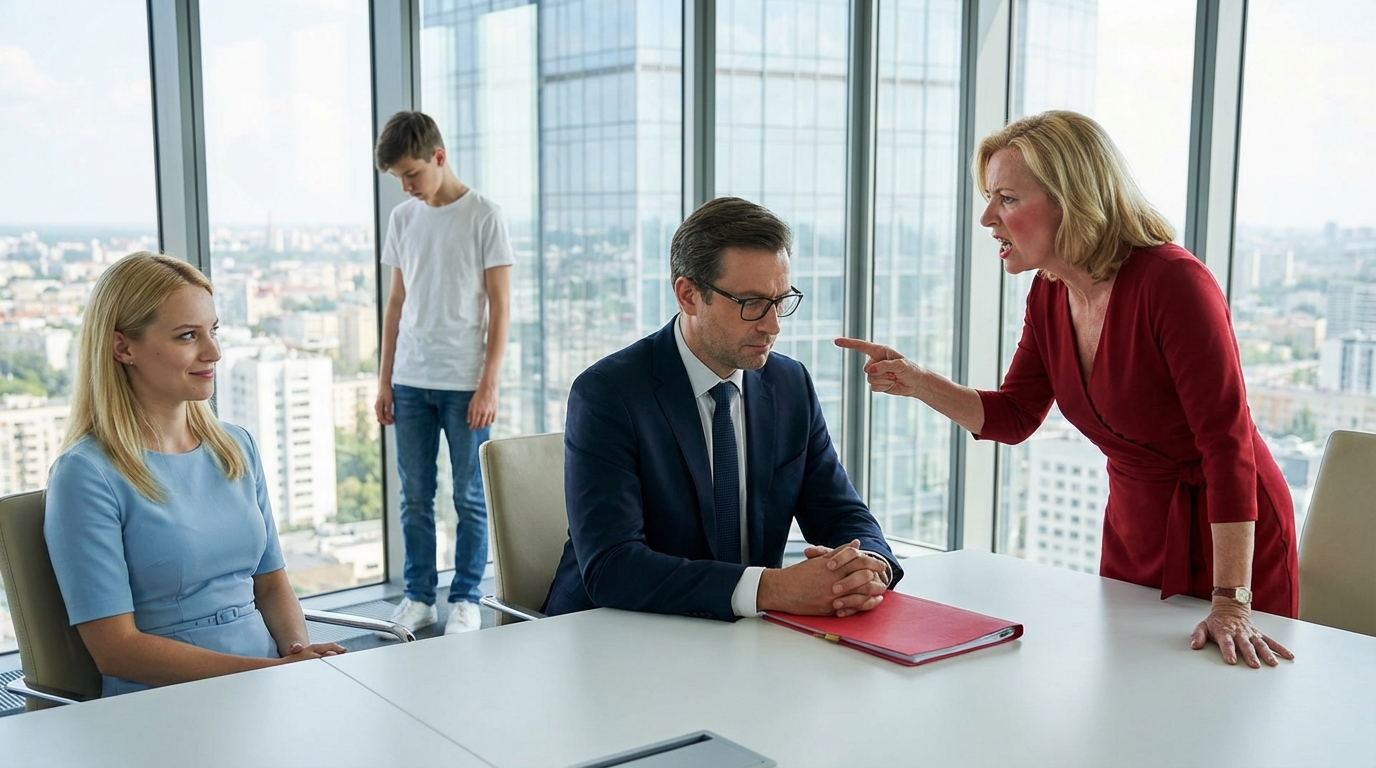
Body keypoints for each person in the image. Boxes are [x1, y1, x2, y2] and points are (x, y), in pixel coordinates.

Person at [838, 111, 1298, 669]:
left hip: (1232, 541)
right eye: (989, 198)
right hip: (1136, 530)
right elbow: (1014, 416)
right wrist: (917, 382)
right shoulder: (1048, 293)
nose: (987, 218)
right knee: (1131, 694)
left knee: (1232, 700)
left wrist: (1232, 601)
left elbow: (1227, 448)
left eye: (1007, 198)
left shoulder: (1174, 284)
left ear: (1071, 200)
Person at [545, 196, 903, 621]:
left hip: (745, 638)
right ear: (688, 295)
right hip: (612, 632)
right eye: (751, 303)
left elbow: (841, 512)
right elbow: (612, 567)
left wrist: (869, 567)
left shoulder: (790, 385)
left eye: (780, 301)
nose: (772, 325)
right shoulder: (608, 393)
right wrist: (771, 588)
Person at [44, 253, 345, 698]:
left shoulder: (236, 446)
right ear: (123, 348)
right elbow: (116, 650)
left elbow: (271, 583)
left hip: (264, 685)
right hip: (162, 702)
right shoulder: (86, 475)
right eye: (188, 336)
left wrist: (297, 656)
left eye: (213, 331)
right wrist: (270, 674)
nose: (214, 352)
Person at [373, 111, 514, 635]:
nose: (406, 186)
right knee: (414, 497)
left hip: (465, 384)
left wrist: (488, 385)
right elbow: (395, 303)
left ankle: (466, 598)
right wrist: (384, 379)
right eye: (398, 178)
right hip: (410, 380)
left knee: (469, 497)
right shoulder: (403, 219)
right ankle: (418, 597)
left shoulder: (484, 215)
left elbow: (501, 307)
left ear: (439, 156)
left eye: (412, 174)